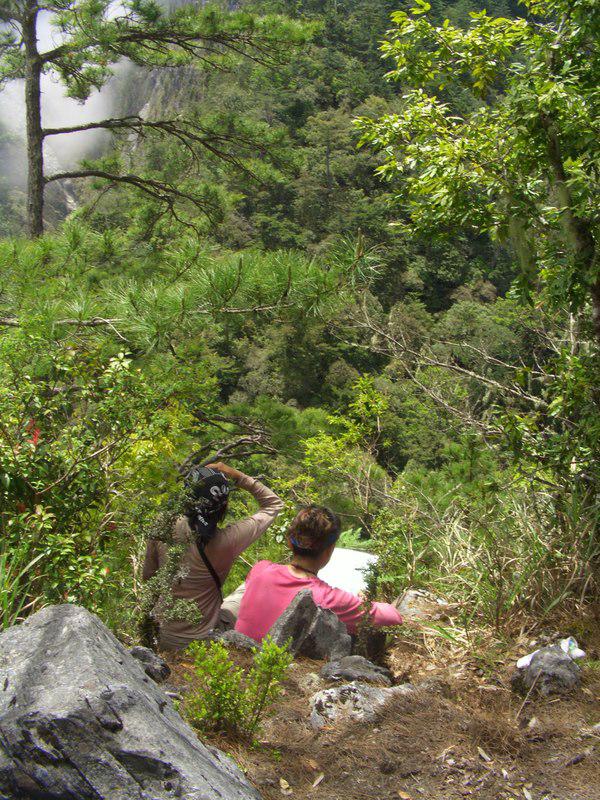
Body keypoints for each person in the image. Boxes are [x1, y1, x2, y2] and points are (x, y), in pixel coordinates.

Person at [143, 461, 283, 650]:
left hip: (163, 637)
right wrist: (238, 476)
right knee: (246, 589)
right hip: (205, 641)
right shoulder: (228, 540)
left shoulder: (164, 525)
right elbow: (273, 504)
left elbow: (149, 579)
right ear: (223, 507)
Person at [235, 504, 402, 642]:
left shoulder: (260, 569)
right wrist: (364, 602)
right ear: (329, 550)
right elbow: (393, 617)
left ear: (289, 542)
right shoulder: (328, 599)